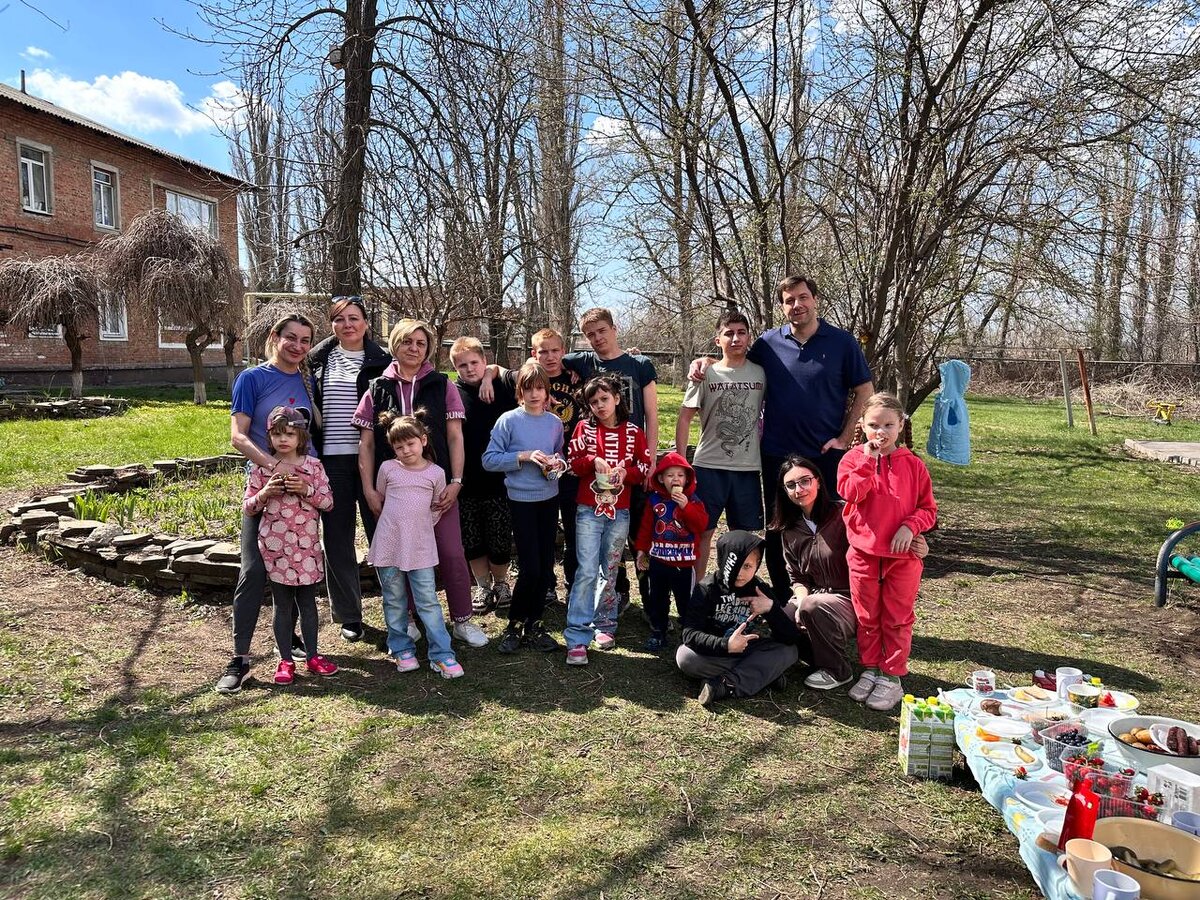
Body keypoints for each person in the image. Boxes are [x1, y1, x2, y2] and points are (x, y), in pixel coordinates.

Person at [689, 276, 874, 596]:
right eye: (789, 300)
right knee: (778, 529)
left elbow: (865, 390)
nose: (797, 305)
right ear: (782, 307)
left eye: (803, 297)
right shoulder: (768, 343)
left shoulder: (842, 343)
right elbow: (736, 361)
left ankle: (829, 596)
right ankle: (783, 599)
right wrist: (707, 361)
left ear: (815, 299)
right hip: (777, 453)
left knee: (829, 527)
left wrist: (844, 438)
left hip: (824, 453)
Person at [352, 319, 489, 649]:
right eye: (407, 342)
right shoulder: (376, 388)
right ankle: (410, 619)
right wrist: (369, 489)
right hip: (395, 493)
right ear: (395, 344)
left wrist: (456, 481)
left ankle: (462, 619)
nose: (414, 348)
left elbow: (455, 437)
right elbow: (366, 444)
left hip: (437, 488)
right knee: (405, 556)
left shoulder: (442, 385)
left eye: (421, 343)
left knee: (452, 553)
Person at [216, 313, 321, 694]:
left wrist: (308, 481)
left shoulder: (308, 381)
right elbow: (238, 436)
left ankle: (289, 644)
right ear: (275, 337)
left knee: (294, 568)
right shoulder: (253, 378)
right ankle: (240, 659)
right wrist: (274, 467)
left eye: (305, 340)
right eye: (291, 337)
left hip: (302, 495)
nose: (298, 346)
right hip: (266, 488)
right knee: (253, 570)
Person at [767, 455, 927, 692]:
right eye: (791, 485)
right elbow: (797, 578)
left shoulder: (845, 513)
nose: (799, 490)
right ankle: (807, 658)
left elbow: (879, 537)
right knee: (781, 618)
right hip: (816, 595)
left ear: (818, 481)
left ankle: (837, 670)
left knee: (813, 606)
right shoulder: (789, 530)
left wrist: (918, 544)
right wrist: (800, 603)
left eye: (805, 481)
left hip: (856, 597)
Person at [837, 392, 938, 711]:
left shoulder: (914, 465)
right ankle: (870, 668)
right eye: (874, 425)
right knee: (867, 616)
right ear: (863, 426)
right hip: (863, 555)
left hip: (903, 559)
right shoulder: (852, 460)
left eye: (888, 425)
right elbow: (851, 493)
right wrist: (868, 461)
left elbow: (928, 509)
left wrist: (911, 526)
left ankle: (892, 675)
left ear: (900, 426)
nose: (881, 432)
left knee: (896, 618)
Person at [561, 308, 658, 614]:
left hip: (633, 462)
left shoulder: (640, 364)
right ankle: (616, 595)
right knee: (608, 538)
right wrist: (494, 371)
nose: (597, 338)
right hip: (599, 474)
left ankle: (651, 603)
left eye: (602, 330)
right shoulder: (584, 361)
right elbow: (546, 358)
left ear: (614, 329)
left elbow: (652, 416)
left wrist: (651, 461)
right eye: (590, 334)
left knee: (638, 536)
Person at [308, 295, 392, 643]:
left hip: (373, 460)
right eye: (340, 319)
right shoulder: (317, 360)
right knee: (337, 538)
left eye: (354, 318)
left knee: (383, 534)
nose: (348, 325)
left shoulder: (383, 360)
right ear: (332, 324)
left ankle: (398, 610)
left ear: (366, 323)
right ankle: (349, 615)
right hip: (332, 461)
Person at [242, 406, 337, 684]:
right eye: (277, 434)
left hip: (306, 548)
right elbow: (248, 507)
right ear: (269, 437)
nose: (283, 439)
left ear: (301, 437)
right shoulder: (262, 468)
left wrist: (306, 490)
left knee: (308, 603)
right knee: (282, 605)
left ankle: (313, 656)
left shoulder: (314, 467)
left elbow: (328, 503)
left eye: (290, 434)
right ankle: (285, 660)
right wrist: (265, 493)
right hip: (276, 549)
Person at [563, 375, 652, 666]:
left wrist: (628, 473)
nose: (600, 405)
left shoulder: (633, 432)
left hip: (620, 511)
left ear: (616, 398)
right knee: (587, 569)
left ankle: (604, 623)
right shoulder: (584, 428)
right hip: (588, 510)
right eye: (593, 402)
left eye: (604, 399)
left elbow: (644, 465)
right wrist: (593, 461)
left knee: (610, 568)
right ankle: (577, 635)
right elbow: (573, 463)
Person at [368, 410, 464, 678]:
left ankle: (442, 654)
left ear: (423, 440)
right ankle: (401, 649)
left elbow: (436, 508)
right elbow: (383, 500)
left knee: (428, 601)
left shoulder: (436, 473)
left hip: (421, 548)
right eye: (399, 447)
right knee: (394, 600)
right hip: (389, 546)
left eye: (410, 444)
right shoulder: (388, 469)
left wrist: (417, 528)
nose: (406, 451)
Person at [482, 362, 565, 654]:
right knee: (530, 568)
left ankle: (535, 625)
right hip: (521, 501)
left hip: (549, 499)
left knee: (544, 567)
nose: (534, 394)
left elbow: (560, 455)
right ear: (520, 391)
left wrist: (557, 465)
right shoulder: (508, 421)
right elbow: (489, 460)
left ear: (547, 391)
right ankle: (515, 624)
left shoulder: (554, 423)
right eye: (528, 388)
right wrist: (524, 456)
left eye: (540, 388)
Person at [675, 310, 765, 578]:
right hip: (708, 466)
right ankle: (698, 592)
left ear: (749, 337)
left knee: (742, 538)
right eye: (729, 333)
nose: (735, 338)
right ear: (718, 340)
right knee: (703, 531)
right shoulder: (704, 374)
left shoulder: (761, 373)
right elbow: (684, 418)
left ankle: (735, 591)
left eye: (741, 333)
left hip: (747, 468)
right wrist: (680, 461)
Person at [676, 531, 807, 706]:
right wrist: (726, 645)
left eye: (747, 566)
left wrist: (770, 608)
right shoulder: (706, 588)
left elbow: (789, 637)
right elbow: (689, 634)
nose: (740, 573)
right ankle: (762, 673)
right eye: (736, 565)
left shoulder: (759, 589)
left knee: (789, 651)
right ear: (724, 561)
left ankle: (725, 685)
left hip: (748, 649)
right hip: (715, 652)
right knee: (685, 657)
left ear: (757, 565)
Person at [451, 336, 516, 614]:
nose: (470, 369)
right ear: (455, 368)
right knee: (472, 539)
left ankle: (501, 583)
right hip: (466, 479)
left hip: (499, 479)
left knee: (499, 536)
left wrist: (490, 376)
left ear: (484, 361)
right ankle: (483, 586)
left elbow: (524, 369)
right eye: (462, 365)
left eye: (475, 362)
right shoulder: (452, 392)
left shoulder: (501, 388)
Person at [633, 450, 707, 651]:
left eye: (680, 475)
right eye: (670, 475)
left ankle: (688, 632)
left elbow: (700, 525)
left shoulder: (693, 500)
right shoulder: (654, 501)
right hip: (659, 561)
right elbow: (646, 528)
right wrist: (641, 550)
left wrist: (686, 507)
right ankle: (658, 630)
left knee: (686, 600)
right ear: (660, 478)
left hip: (684, 563)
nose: (675, 479)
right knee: (657, 598)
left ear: (687, 478)